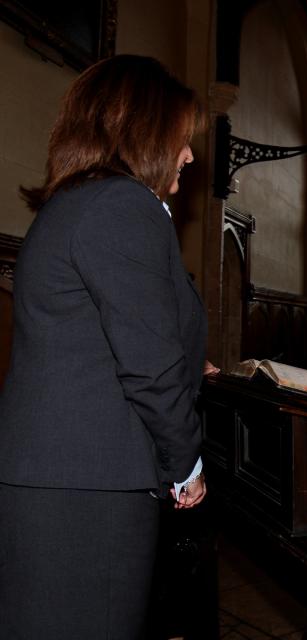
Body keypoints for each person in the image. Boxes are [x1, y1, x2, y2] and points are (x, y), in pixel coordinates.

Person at [0, 55, 208, 638]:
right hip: (87, 488)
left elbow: (92, 336)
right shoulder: (123, 206)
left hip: (56, 478)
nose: (189, 155)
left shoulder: (77, 203)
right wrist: (185, 463)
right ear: (143, 130)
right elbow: (149, 363)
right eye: (181, 138)